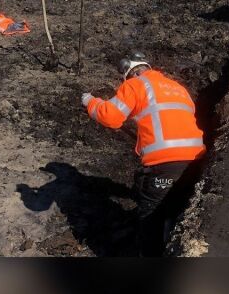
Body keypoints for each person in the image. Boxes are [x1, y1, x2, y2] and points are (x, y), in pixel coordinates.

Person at [81, 51, 205, 256]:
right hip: (196, 161)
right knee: (179, 206)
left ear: (130, 74)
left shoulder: (135, 84)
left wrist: (90, 101)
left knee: (151, 214)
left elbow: (110, 116)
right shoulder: (177, 87)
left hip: (165, 163)